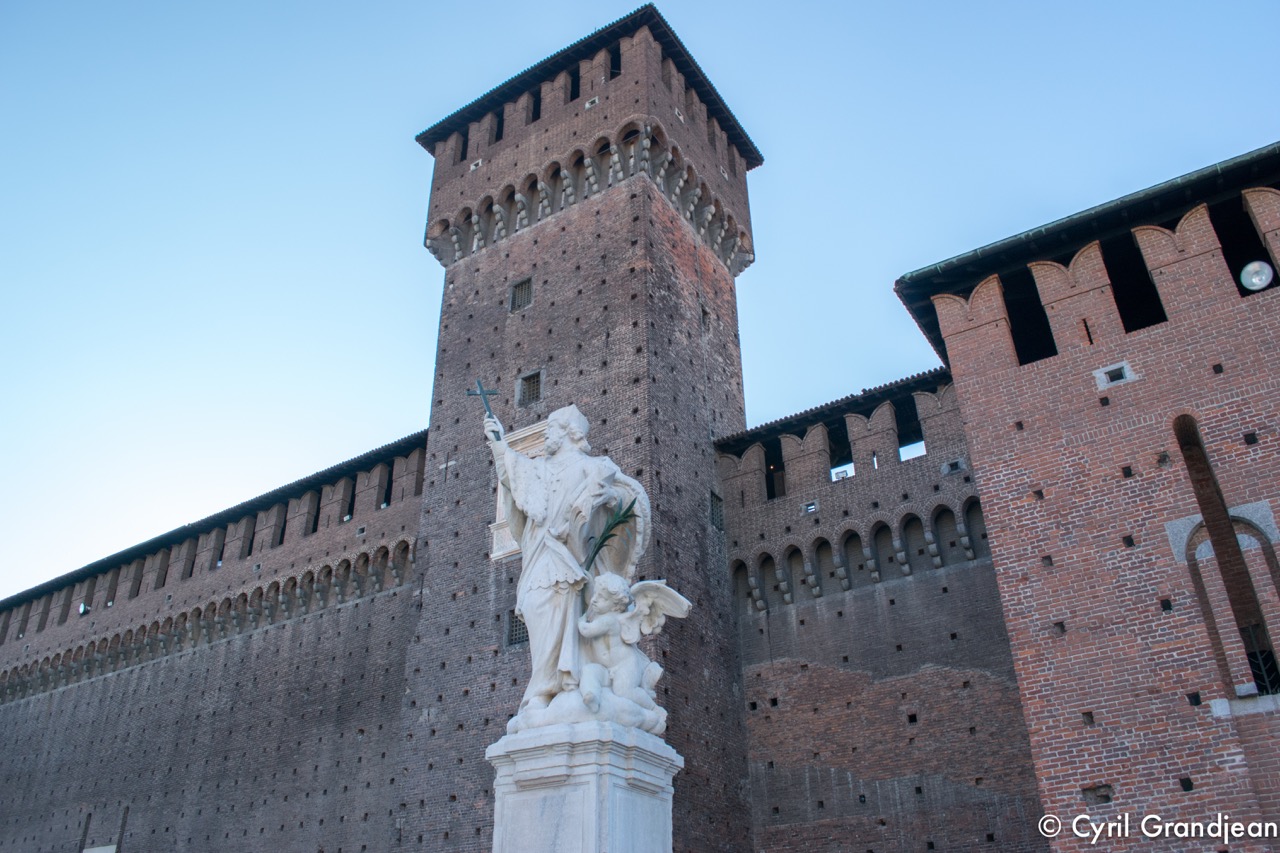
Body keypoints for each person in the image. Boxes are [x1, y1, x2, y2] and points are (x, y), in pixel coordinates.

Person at [484, 405, 648, 726]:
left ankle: (544, 694)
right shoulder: (538, 469)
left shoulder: (595, 467)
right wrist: (496, 442)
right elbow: (511, 471)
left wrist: (601, 499)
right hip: (540, 555)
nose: (546, 434)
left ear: (570, 433)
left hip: (572, 560)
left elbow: (623, 501)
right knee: (535, 608)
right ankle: (544, 688)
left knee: (565, 615)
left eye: (552, 428)